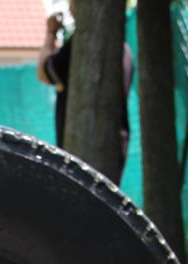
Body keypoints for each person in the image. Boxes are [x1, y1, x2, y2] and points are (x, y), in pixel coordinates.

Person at [37, 3, 134, 180]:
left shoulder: (81, 48)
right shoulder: (125, 51)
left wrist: (51, 32)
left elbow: (44, 72)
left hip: (83, 152)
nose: (70, 7)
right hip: (116, 147)